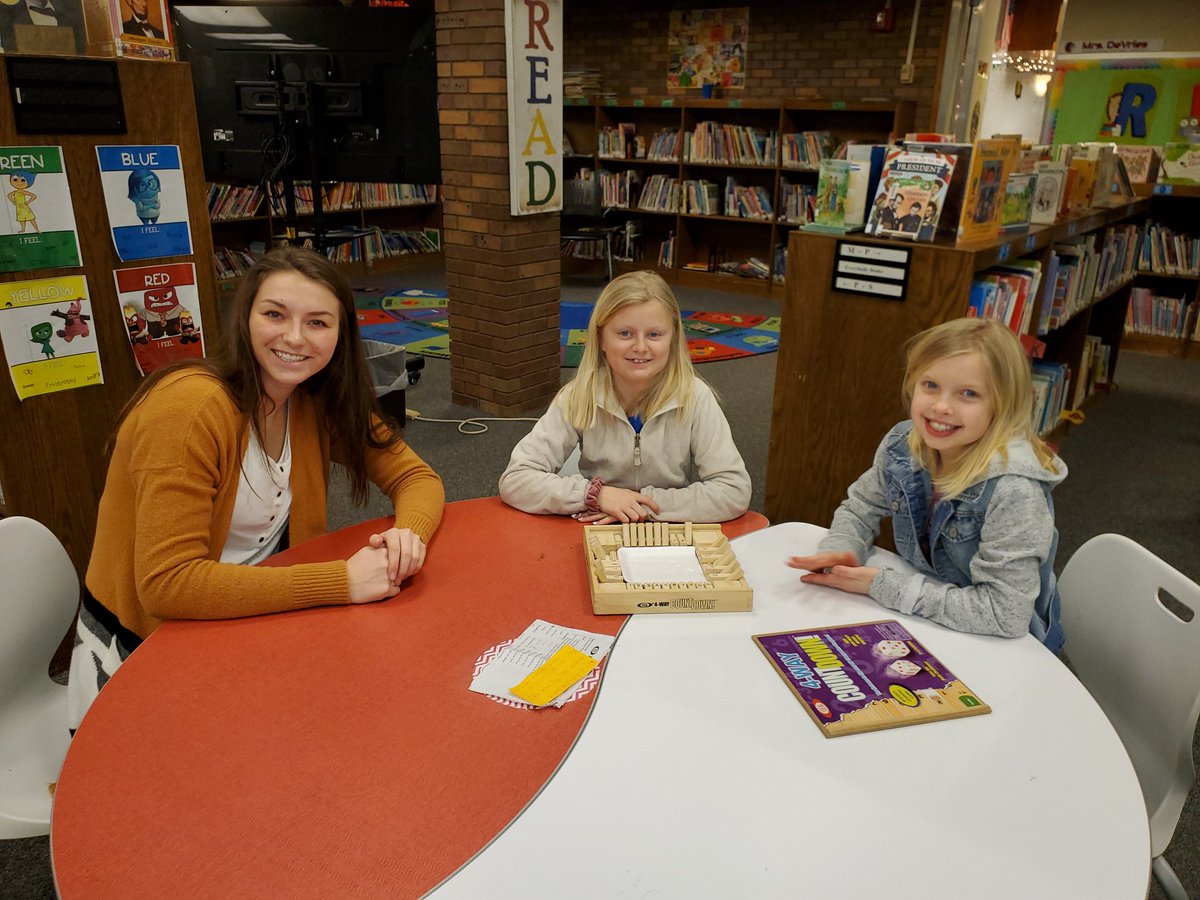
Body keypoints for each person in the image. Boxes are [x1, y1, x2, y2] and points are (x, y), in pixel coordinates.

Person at [68, 246, 445, 728]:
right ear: (245, 318)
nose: (294, 337)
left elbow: (415, 477)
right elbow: (166, 585)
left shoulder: (314, 398)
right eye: (275, 314)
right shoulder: (189, 408)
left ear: (340, 335)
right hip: (144, 650)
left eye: (317, 322)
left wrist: (407, 536)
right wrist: (341, 581)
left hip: (255, 617)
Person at [787, 317, 1066, 651]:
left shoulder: (1014, 491)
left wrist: (885, 586)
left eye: (968, 394)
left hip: (1003, 648)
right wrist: (844, 545)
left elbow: (1003, 614)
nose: (941, 406)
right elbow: (860, 506)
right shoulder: (903, 444)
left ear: (1002, 407)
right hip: (930, 622)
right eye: (930, 385)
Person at [499, 270, 750, 524]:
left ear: (673, 339)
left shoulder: (695, 397)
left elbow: (733, 490)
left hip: (666, 532)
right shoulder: (578, 395)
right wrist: (594, 496)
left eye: (654, 334)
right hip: (593, 527)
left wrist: (640, 504)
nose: (640, 347)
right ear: (601, 339)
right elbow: (516, 479)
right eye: (625, 334)